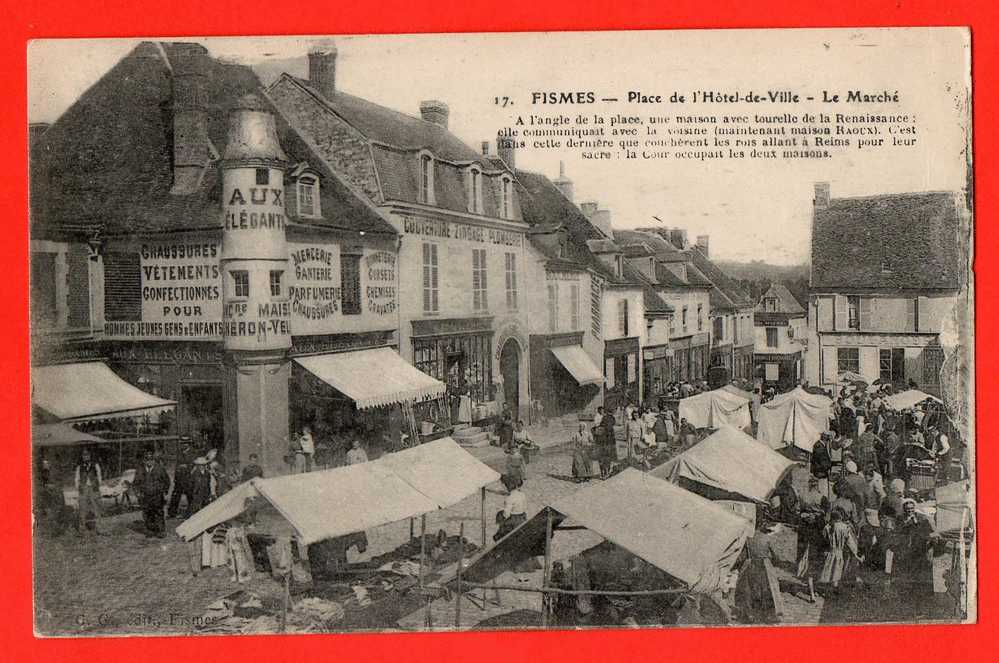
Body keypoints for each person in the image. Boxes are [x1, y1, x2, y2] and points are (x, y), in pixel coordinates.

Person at [735, 518, 782, 623]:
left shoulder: (748, 539)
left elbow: (742, 555)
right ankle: (769, 615)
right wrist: (777, 562)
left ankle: (750, 614)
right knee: (769, 589)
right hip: (764, 564)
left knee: (749, 590)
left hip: (751, 564)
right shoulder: (767, 538)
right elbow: (776, 556)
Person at [796, 476, 829, 596]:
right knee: (816, 553)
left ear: (810, 485)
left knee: (804, 551)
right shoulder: (822, 498)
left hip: (805, 527)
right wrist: (816, 516)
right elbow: (826, 515)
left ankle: (804, 573)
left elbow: (798, 511)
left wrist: (805, 515)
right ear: (818, 485)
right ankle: (814, 580)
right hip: (817, 528)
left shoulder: (803, 496)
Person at [819, 509, 862, 591]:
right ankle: (833, 591)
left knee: (828, 573)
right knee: (836, 574)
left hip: (829, 552)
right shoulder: (845, 527)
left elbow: (823, 541)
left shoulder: (827, 527)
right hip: (839, 554)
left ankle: (825, 590)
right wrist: (855, 554)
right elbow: (850, 544)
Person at [133, 449, 170, 538]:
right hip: (145, 496)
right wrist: (138, 493)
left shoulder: (160, 469)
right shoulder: (140, 470)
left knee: (159, 513)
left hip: (157, 495)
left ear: (154, 460)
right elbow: (135, 483)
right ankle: (150, 531)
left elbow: (167, 481)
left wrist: (164, 492)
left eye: (151, 460)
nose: (149, 462)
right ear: (144, 461)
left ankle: (160, 531)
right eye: (147, 460)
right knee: (147, 513)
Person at [74, 448, 103, 536]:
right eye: (84, 455)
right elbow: (77, 478)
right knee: (82, 508)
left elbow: (99, 476)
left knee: (97, 508)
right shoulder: (79, 466)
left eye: (87, 455)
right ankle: (82, 529)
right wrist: (78, 487)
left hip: (94, 488)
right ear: (82, 457)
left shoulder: (96, 465)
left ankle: (99, 528)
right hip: (83, 488)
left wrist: (97, 486)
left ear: (90, 456)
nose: (85, 457)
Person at [494, 476, 527, 541]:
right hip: (522, 516)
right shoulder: (522, 494)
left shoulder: (509, 498)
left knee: (499, 535)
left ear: (507, 487)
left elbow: (506, 514)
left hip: (513, 520)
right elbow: (525, 507)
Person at [167, 439, 194, 518]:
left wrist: (186, 466)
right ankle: (172, 513)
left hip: (188, 478)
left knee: (190, 496)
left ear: (188, 444)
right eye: (182, 443)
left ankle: (191, 513)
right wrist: (175, 477)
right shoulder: (180, 453)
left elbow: (194, 465)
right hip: (179, 479)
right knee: (175, 496)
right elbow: (177, 466)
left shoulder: (193, 453)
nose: (183, 445)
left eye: (185, 443)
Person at [810, 432, 834, 498]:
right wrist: (830, 465)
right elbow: (823, 462)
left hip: (820, 472)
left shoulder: (819, 445)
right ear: (826, 439)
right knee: (823, 493)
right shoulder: (820, 447)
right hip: (821, 473)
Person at [598, 406, 616, 477]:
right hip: (608, 441)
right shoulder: (611, 419)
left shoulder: (605, 418)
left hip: (605, 441)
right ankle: (606, 472)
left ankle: (605, 472)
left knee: (604, 457)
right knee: (607, 457)